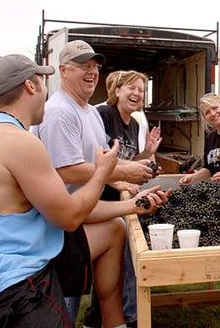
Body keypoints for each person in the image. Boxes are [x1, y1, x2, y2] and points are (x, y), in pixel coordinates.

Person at [0, 54, 167, 327]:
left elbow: (65, 206)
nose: (45, 92)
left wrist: (134, 205)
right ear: (30, 86)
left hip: (14, 258)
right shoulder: (19, 142)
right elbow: (71, 216)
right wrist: (103, 172)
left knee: (113, 230)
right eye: (42, 81)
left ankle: (110, 322)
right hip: (5, 284)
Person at [36, 40, 161, 327]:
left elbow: (105, 160)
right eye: (83, 66)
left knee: (117, 230)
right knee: (64, 302)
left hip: (85, 211)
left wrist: (130, 174)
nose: (92, 72)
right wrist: (125, 174)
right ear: (63, 70)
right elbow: (68, 171)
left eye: (94, 66)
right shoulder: (59, 111)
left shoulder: (90, 112)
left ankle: (111, 321)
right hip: (58, 224)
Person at [84, 70, 162, 328]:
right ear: (117, 91)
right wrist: (120, 182)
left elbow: (129, 161)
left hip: (118, 197)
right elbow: (96, 161)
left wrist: (147, 154)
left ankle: (104, 318)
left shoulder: (137, 123)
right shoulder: (103, 115)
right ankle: (109, 318)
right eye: (131, 88)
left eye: (141, 89)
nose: (137, 93)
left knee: (113, 265)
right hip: (99, 198)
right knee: (106, 267)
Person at [179, 93, 220, 185]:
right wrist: (193, 176)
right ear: (205, 118)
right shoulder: (210, 138)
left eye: (215, 108)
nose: (213, 114)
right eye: (207, 112)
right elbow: (209, 168)